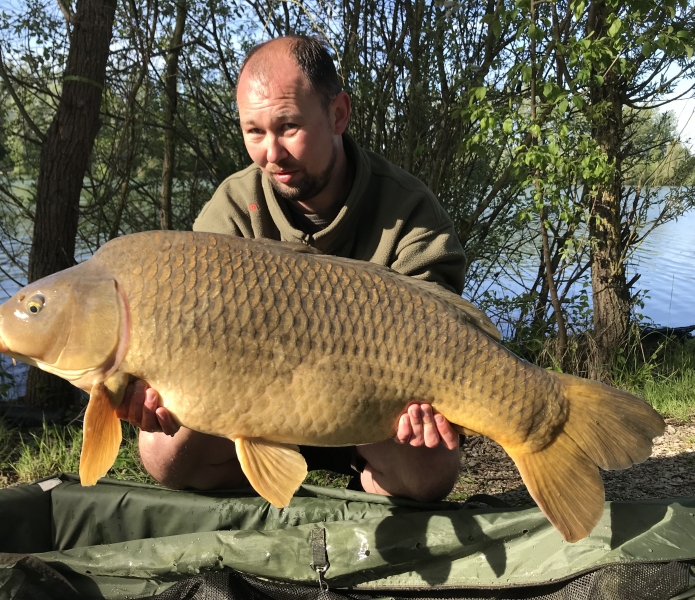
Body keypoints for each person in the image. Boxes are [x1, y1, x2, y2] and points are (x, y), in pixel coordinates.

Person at [117, 35, 468, 502]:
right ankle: (278, 498)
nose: (271, 154)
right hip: (255, 407)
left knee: (430, 473)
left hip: (368, 414)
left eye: (288, 127)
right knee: (163, 453)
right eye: (254, 132)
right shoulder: (231, 210)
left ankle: (365, 492)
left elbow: (446, 329)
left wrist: (429, 411)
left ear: (338, 114)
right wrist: (158, 389)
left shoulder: (410, 210)